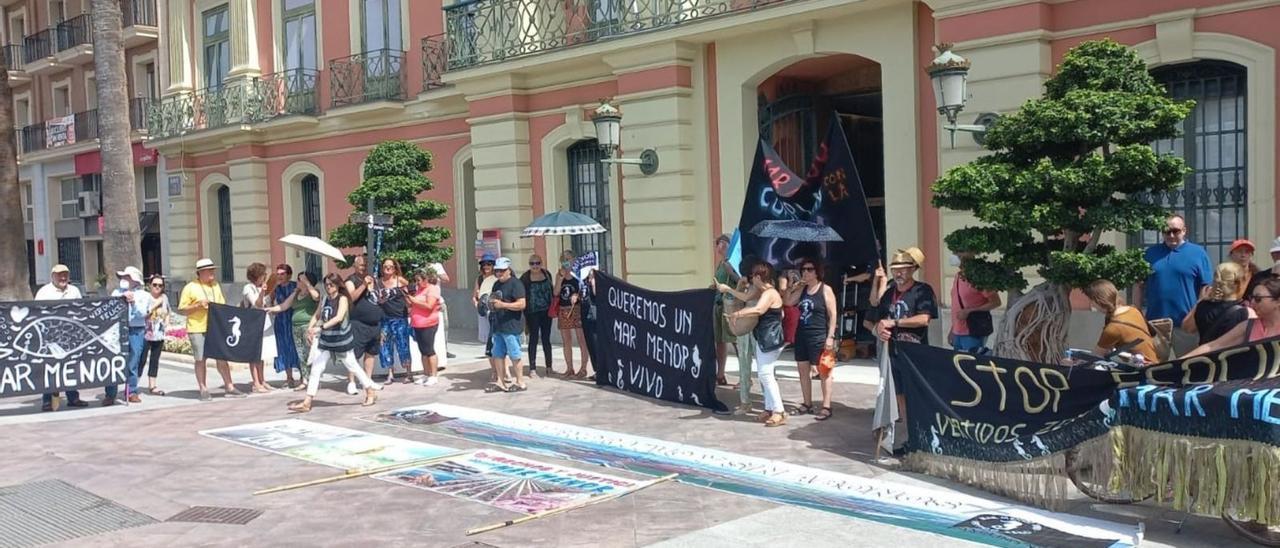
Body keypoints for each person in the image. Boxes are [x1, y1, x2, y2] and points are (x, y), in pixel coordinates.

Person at [291, 274, 382, 412]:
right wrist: (310, 328)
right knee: (316, 369)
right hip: (326, 340)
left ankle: (369, 391)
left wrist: (320, 328)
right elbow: (317, 315)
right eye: (326, 284)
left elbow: (339, 317)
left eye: (331, 284)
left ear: (338, 285)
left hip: (341, 339)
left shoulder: (343, 299)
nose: (328, 287)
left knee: (353, 366)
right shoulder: (325, 299)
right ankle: (307, 401)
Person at [874, 248, 938, 433]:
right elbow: (879, 320)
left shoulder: (922, 290)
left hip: (914, 352)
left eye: (903, 268)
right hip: (893, 351)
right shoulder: (888, 293)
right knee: (899, 393)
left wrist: (894, 322)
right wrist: (881, 329)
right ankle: (912, 435)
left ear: (913, 270)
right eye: (895, 268)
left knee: (916, 392)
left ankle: (923, 432)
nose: (898, 272)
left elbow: (924, 319)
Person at [1133, 215, 1213, 356]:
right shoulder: (1150, 254)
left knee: (1188, 367)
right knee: (1152, 366)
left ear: (1184, 231)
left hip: (1186, 324)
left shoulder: (1198, 253)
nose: (1171, 235)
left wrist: (1196, 316)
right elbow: (1139, 285)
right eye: (1166, 231)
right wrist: (1138, 313)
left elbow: (1206, 288)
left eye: (1175, 231)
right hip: (1155, 324)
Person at [720, 262, 787, 427]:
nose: (751, 280)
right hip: (764, 338)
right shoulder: (763, 291)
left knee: (765, 375)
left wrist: (738, 313)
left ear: (758, 277)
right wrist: (730, 289)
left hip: (770, 339)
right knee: (765, 374)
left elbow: (758, 309)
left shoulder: (770, 293)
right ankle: (769, 409)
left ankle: (779, 411)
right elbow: (746, 297)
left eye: (753, 277)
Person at [180, 258, 245, 401]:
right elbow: (183, 309)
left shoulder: (216, 285)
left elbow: (221, 304)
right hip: (197, 327)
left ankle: (229, 385)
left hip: (215, 327)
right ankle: (203, 388)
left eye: (213, 270)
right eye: (210, 271)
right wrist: (197, 305)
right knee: (201, 359)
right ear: (201, 272)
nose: (213, 273)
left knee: (222, 357)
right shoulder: (190, 287)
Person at [783, 257, 838, 421]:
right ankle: (807, 403)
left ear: (817, 272)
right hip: (802, 334)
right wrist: (793, 286)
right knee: (802, 370)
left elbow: (833, 314)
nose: (806, 273)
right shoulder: (802, 289)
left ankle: (826, 406)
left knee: (824, 371)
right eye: (803, 270)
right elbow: (787, 302)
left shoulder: (825, 289)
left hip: (818, 334)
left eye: (809, 269)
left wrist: (831, 336)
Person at [1185, 278, 1280, 357]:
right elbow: (1213, 346)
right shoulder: (1247, 327)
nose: (1252, 303)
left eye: (1258, 299)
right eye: (1252, 298)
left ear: (1277, 301)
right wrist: (1178, 362)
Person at [38, 264, 88, 411]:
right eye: (59, 275)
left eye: (65, 274)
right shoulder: (43, 292)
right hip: (50, 338)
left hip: (70, 337)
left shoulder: (74, 290)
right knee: (50, 368)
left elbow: (82, 310)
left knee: (71, 366)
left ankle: (73, 397)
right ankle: (47, 401)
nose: (63, 277)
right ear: (52, 276)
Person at [241, 262, 295, 393]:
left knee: (263, 353)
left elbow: (269, 303)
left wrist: (269, 289)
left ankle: (262, 380)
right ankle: (256, 383)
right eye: (263, 274)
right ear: (257, 276)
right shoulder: (249, 288)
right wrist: (263, 292)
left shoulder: (264, 287)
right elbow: (258, 304)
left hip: (264, 322)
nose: (265, 276)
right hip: (253, 322)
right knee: (254, 355)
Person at [1082, 279, 1159, 364]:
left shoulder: (1113, 328)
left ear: (1099, 301)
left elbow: (1096, 356)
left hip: (1138, 371)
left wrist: (1077, 361)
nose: (1092, 305)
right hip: (1153, 364)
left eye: (1092, 301)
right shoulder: (1133, 310)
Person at [106, 266, 149, 406]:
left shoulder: (144, 295)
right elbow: (110, 309)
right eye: (123, 277)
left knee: (133, 361)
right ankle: (110, 394)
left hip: (136, 329)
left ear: (135, 280)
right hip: (118, 329)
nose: (124, 279)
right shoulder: (116, 292)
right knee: (114, 360)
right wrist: (121, 299)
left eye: (127, 277)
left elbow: (142, 314)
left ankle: (132, 391)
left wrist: (133, 302)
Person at [1183, 262, 1251, 345]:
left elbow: (1188, 328)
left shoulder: (1203, 306)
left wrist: (1200, 301)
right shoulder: (1245, 311)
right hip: (1231, 356)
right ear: (1239, 284)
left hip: (1206, 356)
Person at [345, 255, 384, 393]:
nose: (364, 268)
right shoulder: (351, 280)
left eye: (366, 265)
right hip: (358, 323)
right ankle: (351, 382)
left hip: (374, 324)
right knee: (354, 354)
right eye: (361, 265)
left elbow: (378, 298)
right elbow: (351, 298)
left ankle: (367, 380)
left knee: (371, 353)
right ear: (355, 266)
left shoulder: (374, 280)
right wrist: (363, 285)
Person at [949, 250, 1002, 353]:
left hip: (973, 330)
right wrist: (952, 329)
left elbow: (996, 302)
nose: (954, 256)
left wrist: (970, 311)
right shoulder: (958, 276)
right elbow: (956, 304)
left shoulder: (979, 278)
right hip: (957, 332)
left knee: (971, 363)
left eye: (958, 253)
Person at [487, 257, 527, 392]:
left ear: (509, 270)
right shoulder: (496, 284)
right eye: (497, 271)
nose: (499, 273)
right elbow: (494, 300)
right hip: (498, 325)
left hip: (512, 325)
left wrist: (504, 305)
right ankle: (500, 381)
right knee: (497, 354)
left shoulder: (516, 284)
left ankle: (520, 382)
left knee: (514, 354)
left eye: (502, 271)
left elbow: (522, 304)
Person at [377, 258, 414, 383]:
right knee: (385, 346)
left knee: (403, 345)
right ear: (382, 268)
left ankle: (409, 373)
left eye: (391, 266)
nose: (388, 268)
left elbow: (409, 298)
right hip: (385, 319)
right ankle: (390, 374)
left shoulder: (400, 280)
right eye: (385, 266)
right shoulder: (379, 283)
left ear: (395, 268)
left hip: (400, 318)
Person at [554, 250, 590, 379]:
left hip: (577, 308)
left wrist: (577, 295)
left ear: (574, 260)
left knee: (581, 339)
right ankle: (569, 368)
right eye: (563, 259)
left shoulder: (579, 274)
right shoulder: (559, 274)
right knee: (566, 340)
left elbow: (585, 290)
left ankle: (584, 368)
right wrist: (560, 278)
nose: (566, 261)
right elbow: (556, 292)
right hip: (564, 309)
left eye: (568, 259)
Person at [712, 235, 741, 386]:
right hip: (718, 304)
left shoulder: (732, 263)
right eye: (719, 243)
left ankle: (744, 375)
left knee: (735, 340)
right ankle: (720, 374)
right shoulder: (720, 264)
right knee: (720, 341)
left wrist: (731, 273)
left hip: (730, 305)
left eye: (724, 244)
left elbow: (741, 282)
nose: (721, 246)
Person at [407, 269, 442, 386]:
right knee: (423, 351)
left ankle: (433, 375)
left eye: (419, 281)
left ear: (425, 279)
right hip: (418, 324)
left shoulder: (432, 289)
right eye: (416, 281)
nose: (417, 283)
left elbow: (429, 306)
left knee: (429, 350)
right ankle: (426, 373)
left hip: (429, 324)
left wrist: (414, 301)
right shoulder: (419, 290)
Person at [520, 254, 554, 376]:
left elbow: (551, 289)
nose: (535, 266)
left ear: (541, 263)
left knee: (546, 339)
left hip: (546, 312)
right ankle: (532, 368)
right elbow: (521, 295)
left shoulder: (546, 274)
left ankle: (549, 366)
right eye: (532, 263)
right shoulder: (525, 277)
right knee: (533, 339)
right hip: (532, 313)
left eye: (537, 263)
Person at [271, 264, 301, 388]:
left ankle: (303, 376)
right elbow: (271, 300)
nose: (280, 276)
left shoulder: (295, 286)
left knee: (296, 346)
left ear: (289, 274)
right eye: (278, 274)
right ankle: (289, 377)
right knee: (283, 348)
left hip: (292, 318)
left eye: (282, 274)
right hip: (280, 320)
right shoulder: (276, 288)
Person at [139, 275, 170, 396]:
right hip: (146, 332)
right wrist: (156, 304)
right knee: (141, 359)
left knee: (154, 360)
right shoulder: (146, 297)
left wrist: (167, 322)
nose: (157, 287)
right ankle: (133, 385)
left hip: (159, 333)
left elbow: (167, 312)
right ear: (150, 285)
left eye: (160, 285)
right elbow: (143, 314)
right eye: (155, 285)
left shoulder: (165, 298)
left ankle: (152, 385)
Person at [290, 272, 321, 392]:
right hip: (295, 327)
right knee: (301, 354)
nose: (297, 281)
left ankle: (313, 379)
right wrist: (271, 309)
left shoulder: (314, 291)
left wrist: (307, 283)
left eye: (299, 279)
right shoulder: (297, 293)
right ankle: (304, 380)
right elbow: (285, 305)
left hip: (307, 326)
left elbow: (316, 297)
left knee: (310, 354)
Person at [427, 262, 452, 366]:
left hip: (439, 301)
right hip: (426, 302)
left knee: (444, 327)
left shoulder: (437, 265)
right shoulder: (417, 264)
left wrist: (435, 272)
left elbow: (446, 279)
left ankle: (444, 349)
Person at [474, 254, 497, 358]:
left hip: (495, 310)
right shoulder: (479, 279)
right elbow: (474, 296)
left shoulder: (497, 278)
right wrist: (477, 304)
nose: (486, 266)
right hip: (483, 310)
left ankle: (494, 352)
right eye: (484, 264)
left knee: (494, 335)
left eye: (489, 264)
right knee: (487, 334)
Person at [581, 266, 600, 383]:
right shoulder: (583, 283)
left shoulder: (598, 283)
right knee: (591, 344)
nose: (589, 277)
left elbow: (597, 294)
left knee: (597, 343)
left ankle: (602, 371)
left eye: (592, 274)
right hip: (586, 317)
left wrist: (594, 283)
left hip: (596, 318)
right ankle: (597, 370)